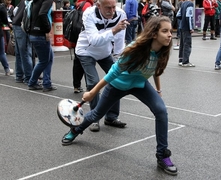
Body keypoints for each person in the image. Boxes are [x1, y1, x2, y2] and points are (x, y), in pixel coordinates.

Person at [61, 16, 177, 176]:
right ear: (153, 33)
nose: (170, 34)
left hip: (140, 85)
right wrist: (93, 91)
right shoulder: (136, 48)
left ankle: (162, 154)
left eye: (170, 31)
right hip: (118, 84)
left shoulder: (163, 50)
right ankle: (76, 129)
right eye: (165, 31)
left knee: (161, 111)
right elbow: (114, 72)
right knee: (96, 114)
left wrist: (158, 90)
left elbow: (156, 70)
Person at [75, 0, 128, 132]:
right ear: (98, 5)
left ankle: (111, 117)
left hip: (105, 52)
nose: (112, 11)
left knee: (117, 80)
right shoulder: (89, 14)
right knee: (93, 82)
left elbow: (119, 38)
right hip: (86, 51)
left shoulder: (121, 14)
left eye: (113, 7)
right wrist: (114, 30)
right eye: (108, 8)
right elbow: (94, 40)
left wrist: (118, 56)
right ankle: (94, 118)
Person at [27, 0, 58, 92]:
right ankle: (33, 82)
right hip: (40, 33)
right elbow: (42, 14)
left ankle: (46, 83)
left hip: (34, 32)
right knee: (44, 61)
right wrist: (47, 29)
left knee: (48, 59)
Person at [72, 0, 98, 94]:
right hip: (84, 37)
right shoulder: (88, 5)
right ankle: (90, 86)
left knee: (77, 63)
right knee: (88, 62)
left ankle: (76, 85)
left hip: (77, 36)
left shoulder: (79, 3)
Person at [12, 0, 37, 84]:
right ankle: (29, 78)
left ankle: (19, 76)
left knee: (20, 52)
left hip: (17, 24)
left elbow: (15, 10)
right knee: (26, 52)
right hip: (23, 26)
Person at [177, 0, 196, 67]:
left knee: (182, 43)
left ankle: (181, 59)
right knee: (187, 44)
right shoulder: (190, 4)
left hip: (182, 26)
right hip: (187, 27)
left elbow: (178, 14)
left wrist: (182, 21)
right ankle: (186, 61)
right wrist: (191, 27)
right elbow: (189, 16)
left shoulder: (183, 3)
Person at [0, 0, 13, 75]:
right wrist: (9, 25)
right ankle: (7, 69)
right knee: (1, 52)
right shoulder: (2, 7)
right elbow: (5, 19)